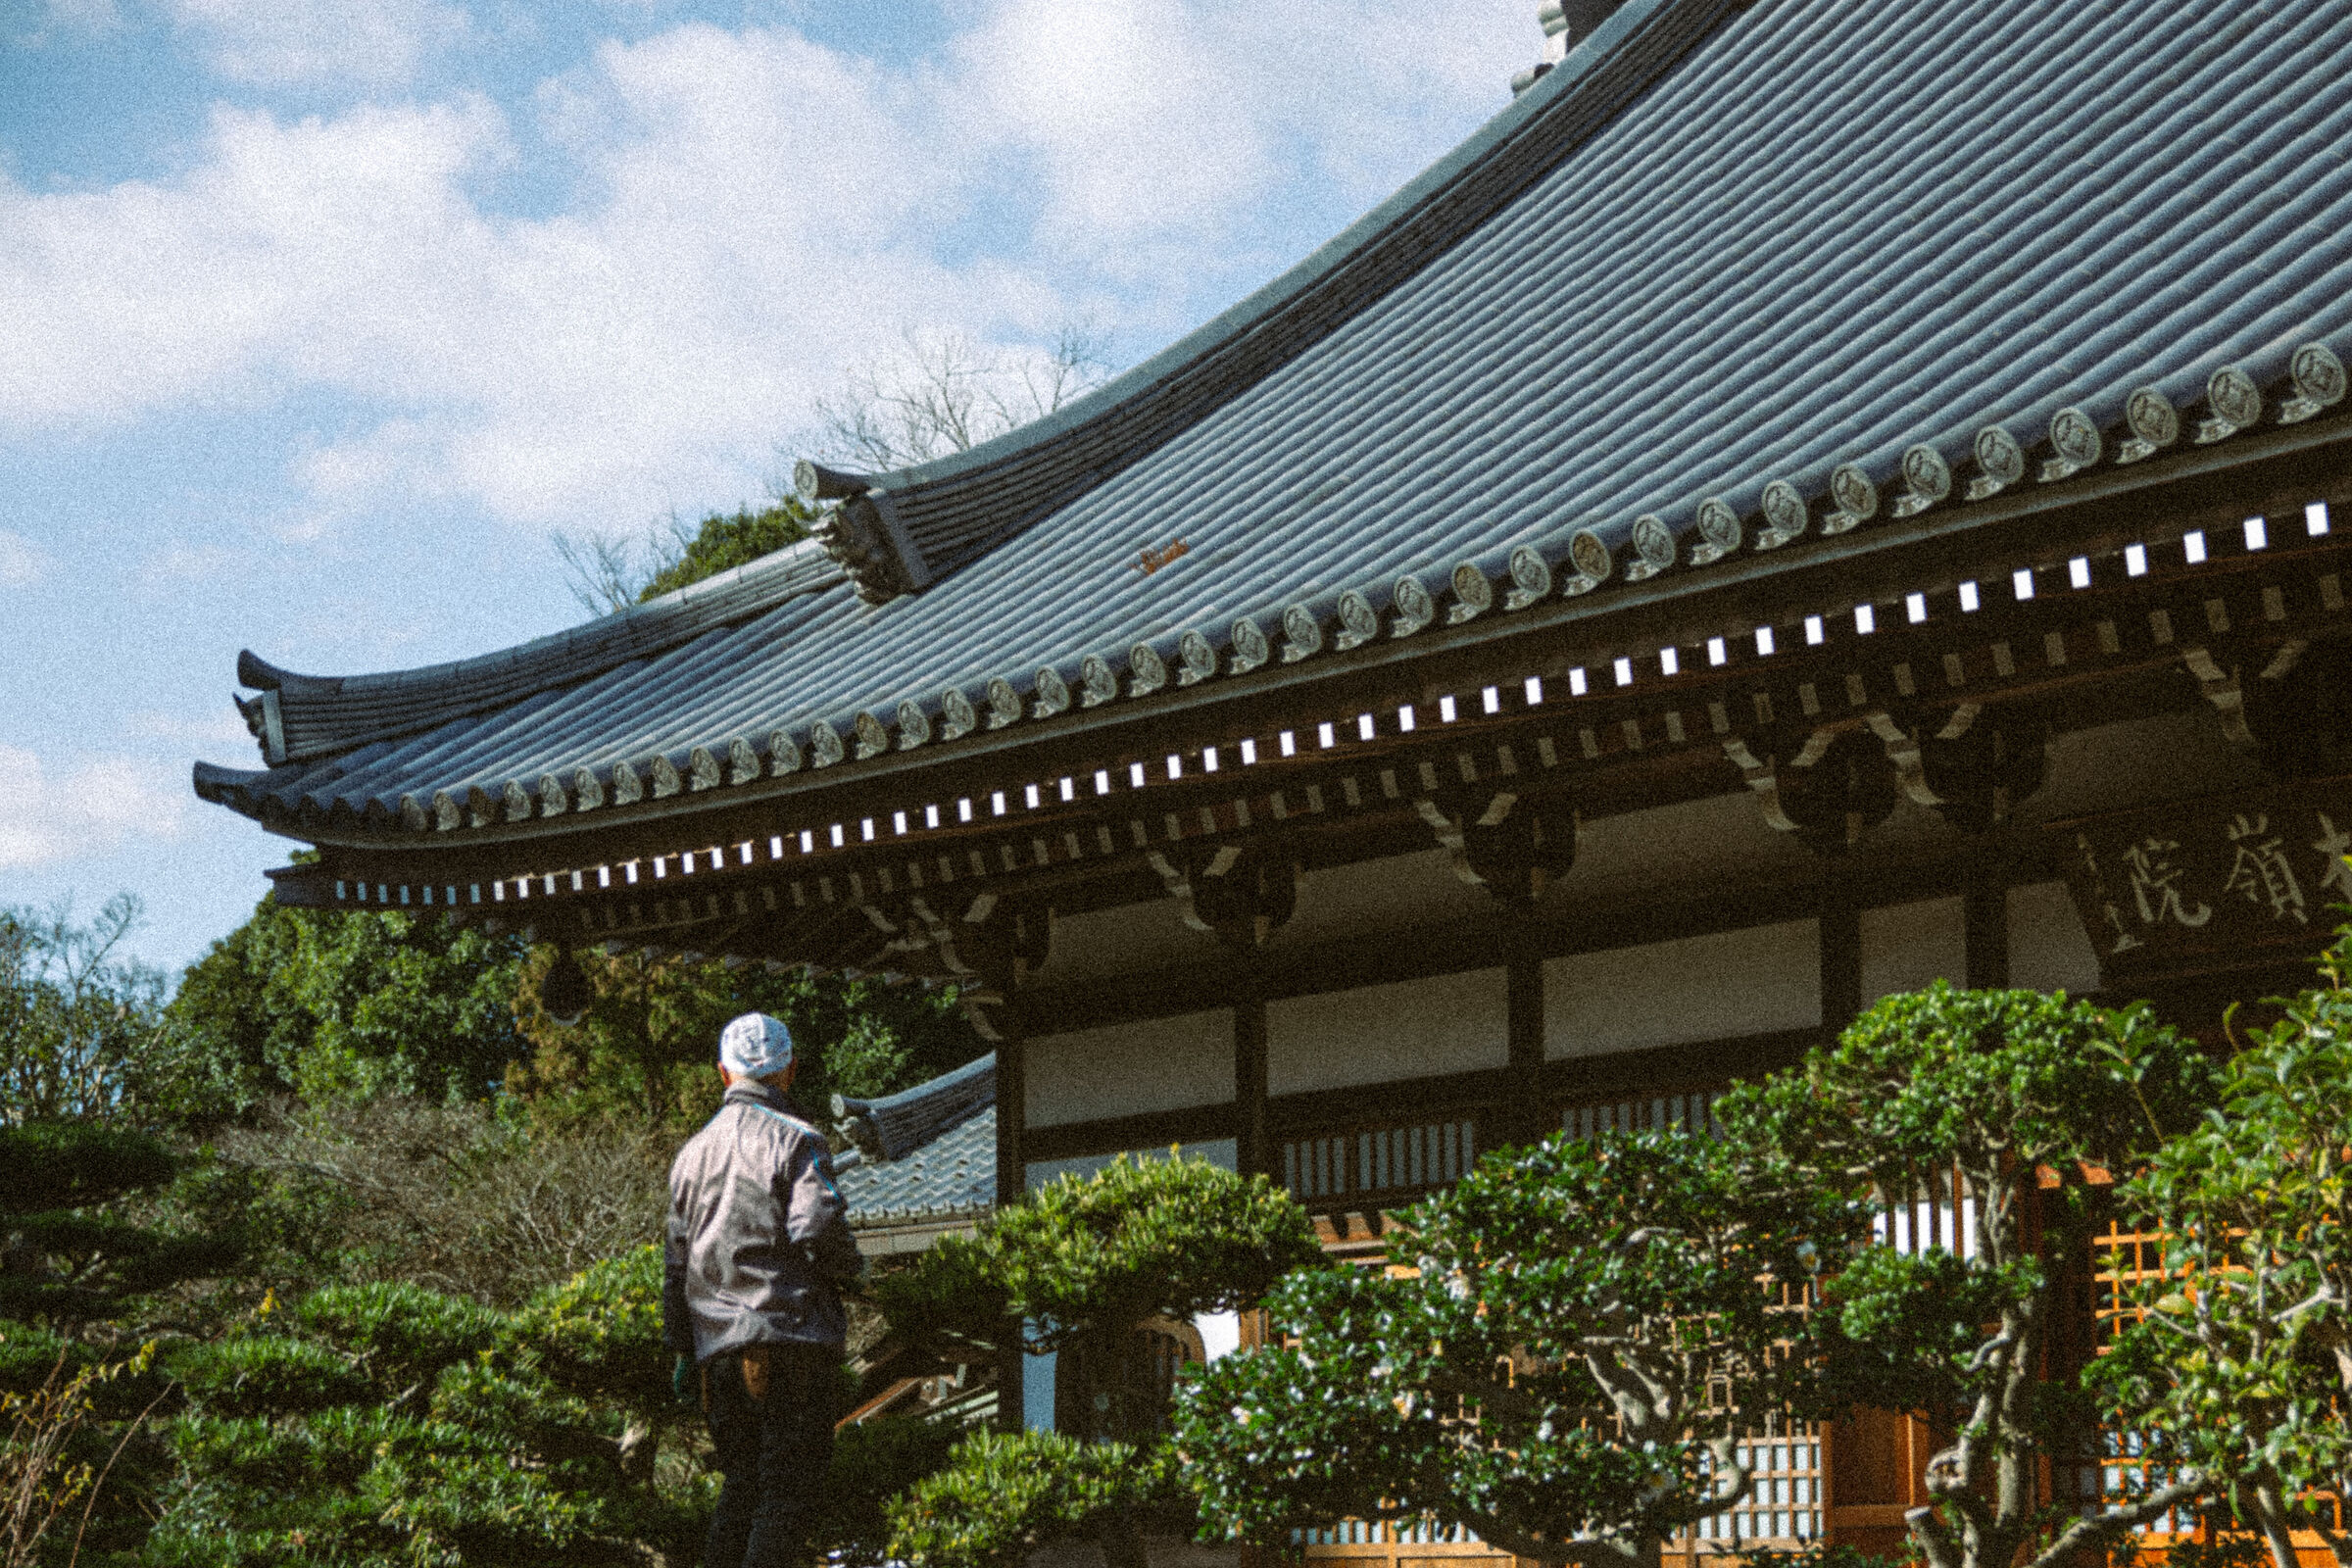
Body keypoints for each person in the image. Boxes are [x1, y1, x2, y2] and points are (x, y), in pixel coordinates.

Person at [663, 1011, 863, 1568]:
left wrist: (683, 1351)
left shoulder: (690, 1156)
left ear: (724, 1075)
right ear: (790, 1071)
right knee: (787, 1489)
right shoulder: (798, 1140)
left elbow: (676, 1268)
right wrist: (855, 1273)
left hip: (718, 1354)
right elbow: (817, 1227)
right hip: (790, 1340)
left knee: (742, 1485)